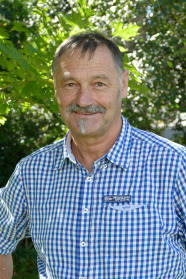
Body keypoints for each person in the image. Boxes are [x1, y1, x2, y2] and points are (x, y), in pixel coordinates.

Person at [0, 32, 185, 279]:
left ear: (124, 84)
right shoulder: (31, 172)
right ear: (55, 89)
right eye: (70, 84)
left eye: (99, 83)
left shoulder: (175, 165)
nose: (84, 100)